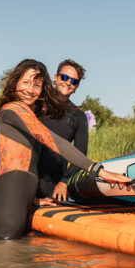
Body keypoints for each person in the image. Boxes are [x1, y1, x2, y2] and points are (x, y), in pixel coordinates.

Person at [0, 59, 131, 240]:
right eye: (25, 82)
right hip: (10, 195)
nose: (30, 90)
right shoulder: (14, 110)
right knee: (6, 254)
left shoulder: (34, 111)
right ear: (15, 82)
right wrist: (99, 171)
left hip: (21, 196)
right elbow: (53, 140)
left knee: (17, 254)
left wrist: (33, 199)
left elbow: (24, 159)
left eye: (36, 85)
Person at [37, 59, 88, 202]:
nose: (68, 82)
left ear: (77, 87)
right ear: (55, 78)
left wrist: (65, 181)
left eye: (74, 81)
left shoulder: (79, 116)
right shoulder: (36, 103)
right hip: (29, 178)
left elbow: (81, 153)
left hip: (55, 185)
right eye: (64, 77)